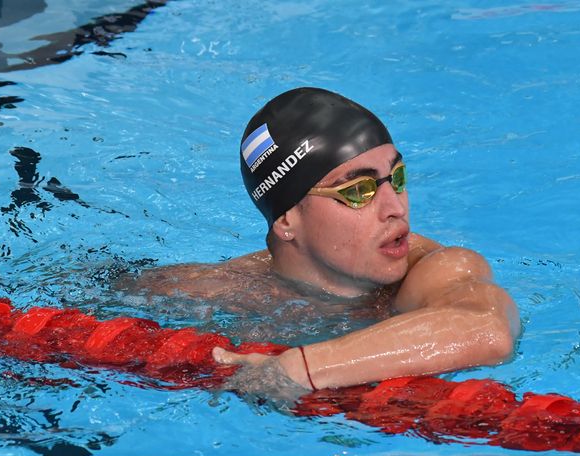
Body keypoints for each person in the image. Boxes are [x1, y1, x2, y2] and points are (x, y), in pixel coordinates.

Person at [134, 87, 520, 397]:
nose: (395, 208)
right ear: (287, 219)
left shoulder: (439, 269)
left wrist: (299, 368)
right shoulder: (212, 289)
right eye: (358, 191)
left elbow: (485, 329)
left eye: (397, 179)